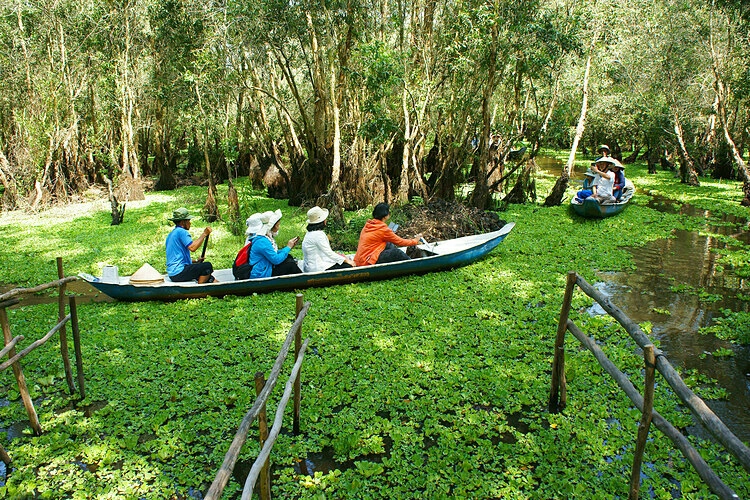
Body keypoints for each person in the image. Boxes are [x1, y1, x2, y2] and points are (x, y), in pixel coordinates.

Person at [354, 203, 423, 266]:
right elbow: (400, 242)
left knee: (389, 244)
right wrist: (415, 240)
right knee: (396, 252)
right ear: (385, 216)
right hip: (367, 261)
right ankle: (414, 265)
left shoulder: (368, 225)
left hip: (360, 259)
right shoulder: (383, 229)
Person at [165, 207, 218, 283]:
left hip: (173, 274)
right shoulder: (181, 232)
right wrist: (204, 234)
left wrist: (196, 261)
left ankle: (218, 289)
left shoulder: (171, 234)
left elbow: (177, 258)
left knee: (207, 275)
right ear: (183, 222)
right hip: (179, 272)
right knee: (207, 266)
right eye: (188, 221)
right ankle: (201, 289)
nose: (190, 223)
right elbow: (193, 248)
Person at [249, 209, 302, 278]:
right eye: (278, 225)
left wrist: (288, 247)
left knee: (288, 257)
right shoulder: (262, 241)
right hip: (262, 273)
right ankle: (305, 282)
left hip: (267, 267)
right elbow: (276, 260)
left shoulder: (265, 237)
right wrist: (288, 247)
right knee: (290, 265)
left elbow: (274, 253)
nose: (278, 227)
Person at [301, 206, 356, 273]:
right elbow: (329, 253)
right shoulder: (318, 235)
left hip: (310, 267)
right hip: (318, 268)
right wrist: (347, 260)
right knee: (348, 266)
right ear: (323, 221)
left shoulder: (309, 233)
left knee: (343, 261)